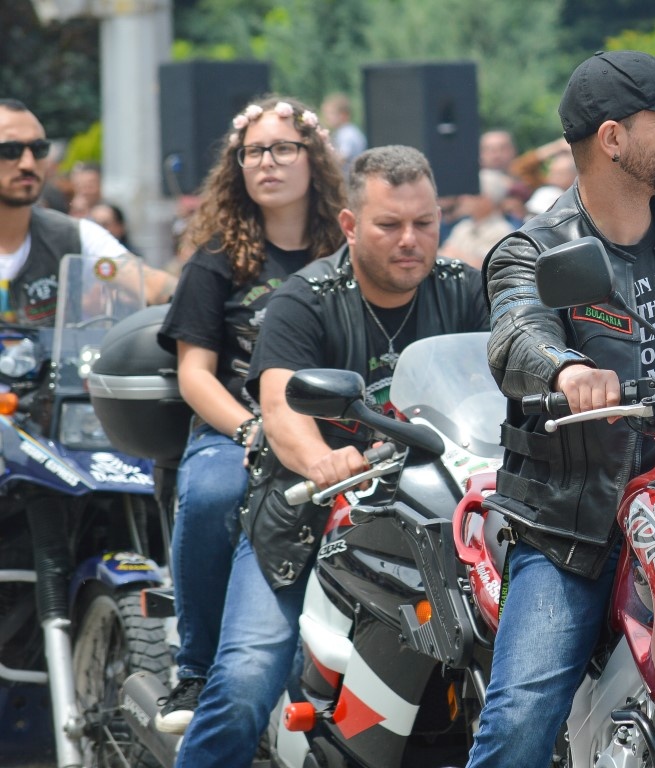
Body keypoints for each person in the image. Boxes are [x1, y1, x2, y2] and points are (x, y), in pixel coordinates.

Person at [471, 50, 655, 767]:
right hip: (583, 525)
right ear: (612, 138)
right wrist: (567, 367)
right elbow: (515, 333)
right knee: (519, 722)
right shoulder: (534, 251)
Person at [174, 145, 489, 768]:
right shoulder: (307, 297)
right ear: (349, 224)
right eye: (389, 224)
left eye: (424, 223)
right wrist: (322, 459)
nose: (410, 240)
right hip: (306, 517)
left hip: (434, 524)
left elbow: (502, 384)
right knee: (244, 682)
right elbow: (280, 403)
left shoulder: (465, 290)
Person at [154, 95, 347, 734]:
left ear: (314, 160)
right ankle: (196, 670)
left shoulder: (346, 249)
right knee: (213, 494)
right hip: (231, 433)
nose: (267, 162)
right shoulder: (216, 257)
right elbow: (194, 373)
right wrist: (250, 427)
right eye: (253, 151)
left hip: (333, 433)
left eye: (283, 148)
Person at [0, 98, 175, 323]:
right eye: (10, 150)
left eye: (38, 149)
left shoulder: (74, 235)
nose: (28, 163)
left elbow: (149, 284)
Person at [320, 92, 367, 177]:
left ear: (343, 115)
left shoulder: (347, 134)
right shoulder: (343, 132)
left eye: (331, 113)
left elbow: (341, 158)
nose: (327, 117)